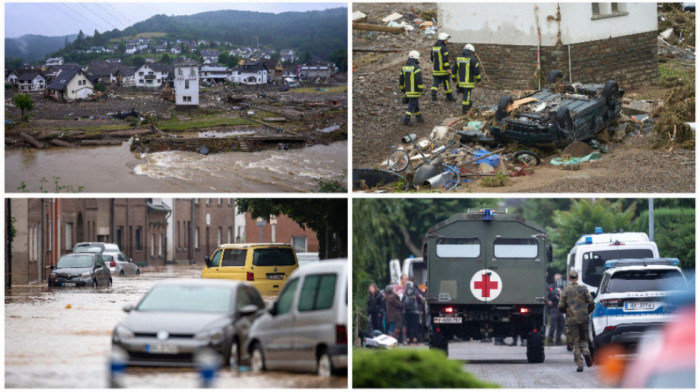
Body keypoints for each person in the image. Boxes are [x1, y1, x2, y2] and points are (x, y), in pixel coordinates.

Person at [558, 269, 595, 372]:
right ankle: (586, 352)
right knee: (584, 340)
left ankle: (579, 364)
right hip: (583, 319)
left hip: (571, 320)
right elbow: (591, 302)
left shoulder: (565, 290)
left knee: (575, 343)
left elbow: (560, 306)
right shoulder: (584, 289)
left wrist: (565, 310)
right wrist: (587, 311)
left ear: (569, 278)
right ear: (577, 278)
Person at [450, 44, 482, 114]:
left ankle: (469, 106)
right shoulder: (473, 60)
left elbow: (453, 69)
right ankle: (464, 112)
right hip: (468, 84)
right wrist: (479, 81)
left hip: (461, 83)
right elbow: (476, 72)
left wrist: (453, 78)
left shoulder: (458, 58)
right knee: (466, 99)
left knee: (465, 96)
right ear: (471, 51)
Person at [399, 50, 425, 125]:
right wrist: (420, 88)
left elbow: (401, 79)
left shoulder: (404, 67)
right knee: (412, 104)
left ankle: (419, 117)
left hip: (407, 90)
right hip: (415, 90)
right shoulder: (416, 67)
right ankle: (406, 119)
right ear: (415, 58)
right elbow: (418, 79)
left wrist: (403, 89)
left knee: (415, 103)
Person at [430, 32, 455, 103]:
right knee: (446, 83)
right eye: (446, 40)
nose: (447, 41)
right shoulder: (444, 48)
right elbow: (445, 60)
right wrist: (448, 68)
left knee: (435, 83)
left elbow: (431, 58)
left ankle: (433, 96)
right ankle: (449, 97)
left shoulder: (434, 47)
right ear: (443, 40)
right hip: (443, 71)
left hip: (436, 70)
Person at [547, 273, 566, 346]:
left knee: (561, 325)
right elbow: (548, 294)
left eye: (560, 279)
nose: (559, 281)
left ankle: (558, 340)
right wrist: (549, 300)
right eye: (558, 279)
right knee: (553, 325)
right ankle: (550, 340)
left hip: (562, 308)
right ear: (555, 280)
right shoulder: (551, 287)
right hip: (554, 308)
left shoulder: (564, 287)